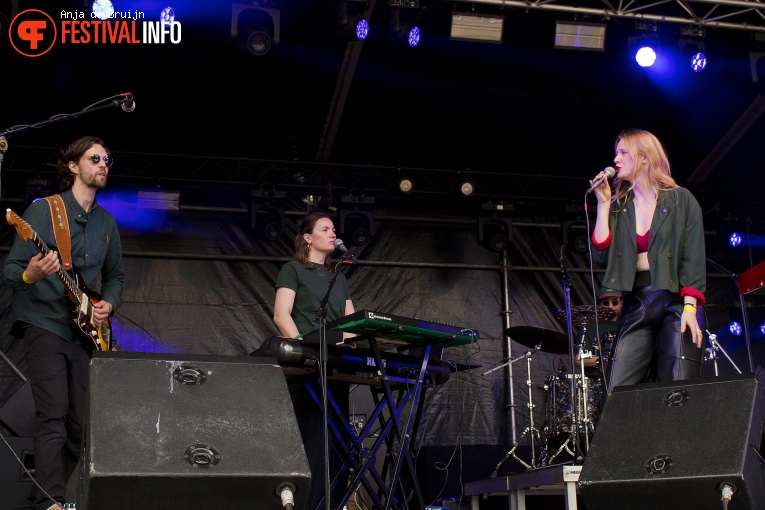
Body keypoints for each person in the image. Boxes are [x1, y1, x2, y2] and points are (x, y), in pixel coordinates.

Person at [3, 136, 125, 510]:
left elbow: (116, 275)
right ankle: (50, 502)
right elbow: (10, 271)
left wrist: (108, 304)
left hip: (85, 333)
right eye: (94, 158)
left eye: (107, 159)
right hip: (44, 323)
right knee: (52, 415)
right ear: (73, 166)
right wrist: (32, 274)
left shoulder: (107, 222)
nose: (103, 163)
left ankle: (39, 500)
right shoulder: (44, 212)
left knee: (78, 428)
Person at [590, 129, 705, 393]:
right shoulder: (620, 206)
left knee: (677, 389)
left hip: (675, 299)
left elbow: (693, 255)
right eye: (616, 153)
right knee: (616, 391)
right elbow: (601, 255)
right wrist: (604, 204)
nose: (616, 159)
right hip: (638, 300)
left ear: (643, 158)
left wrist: (690, 308)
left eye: (623, 153)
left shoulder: (680, 199)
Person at [273, 212, 355, 510]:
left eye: (334, 229)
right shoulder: (293, 270)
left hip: (336, 364)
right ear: (308, 237)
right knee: (309, 433)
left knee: (335, 439)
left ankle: (332, 502)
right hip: (306, 363)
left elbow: (350, 323)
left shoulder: (339, 278)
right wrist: (301, 350)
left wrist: (349, 349)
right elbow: (282, 315)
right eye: (325, 229)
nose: (333, 233)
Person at [575, 287, 622, 379]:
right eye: (606, 303)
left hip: (623, 380)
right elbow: (579, 360)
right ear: (600, 304)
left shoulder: (627, 325)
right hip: (596, 381)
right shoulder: (589, 326)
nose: (610, 306)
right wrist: (606, 361)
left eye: (615, 302)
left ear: (621, 304)